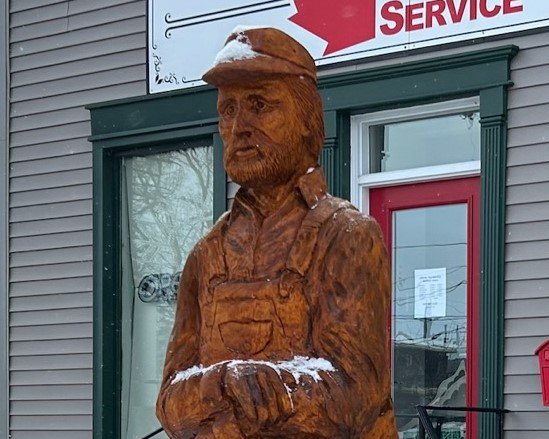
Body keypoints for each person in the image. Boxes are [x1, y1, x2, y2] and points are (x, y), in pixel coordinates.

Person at [156, 27, 398, 439]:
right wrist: (221, 382)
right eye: (229, 110)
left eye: (260, 104)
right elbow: (170, 403)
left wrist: (275, 390)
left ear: (307, 121)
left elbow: (356, 399)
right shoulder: (208, 254)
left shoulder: (347, 236)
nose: (241, 126)